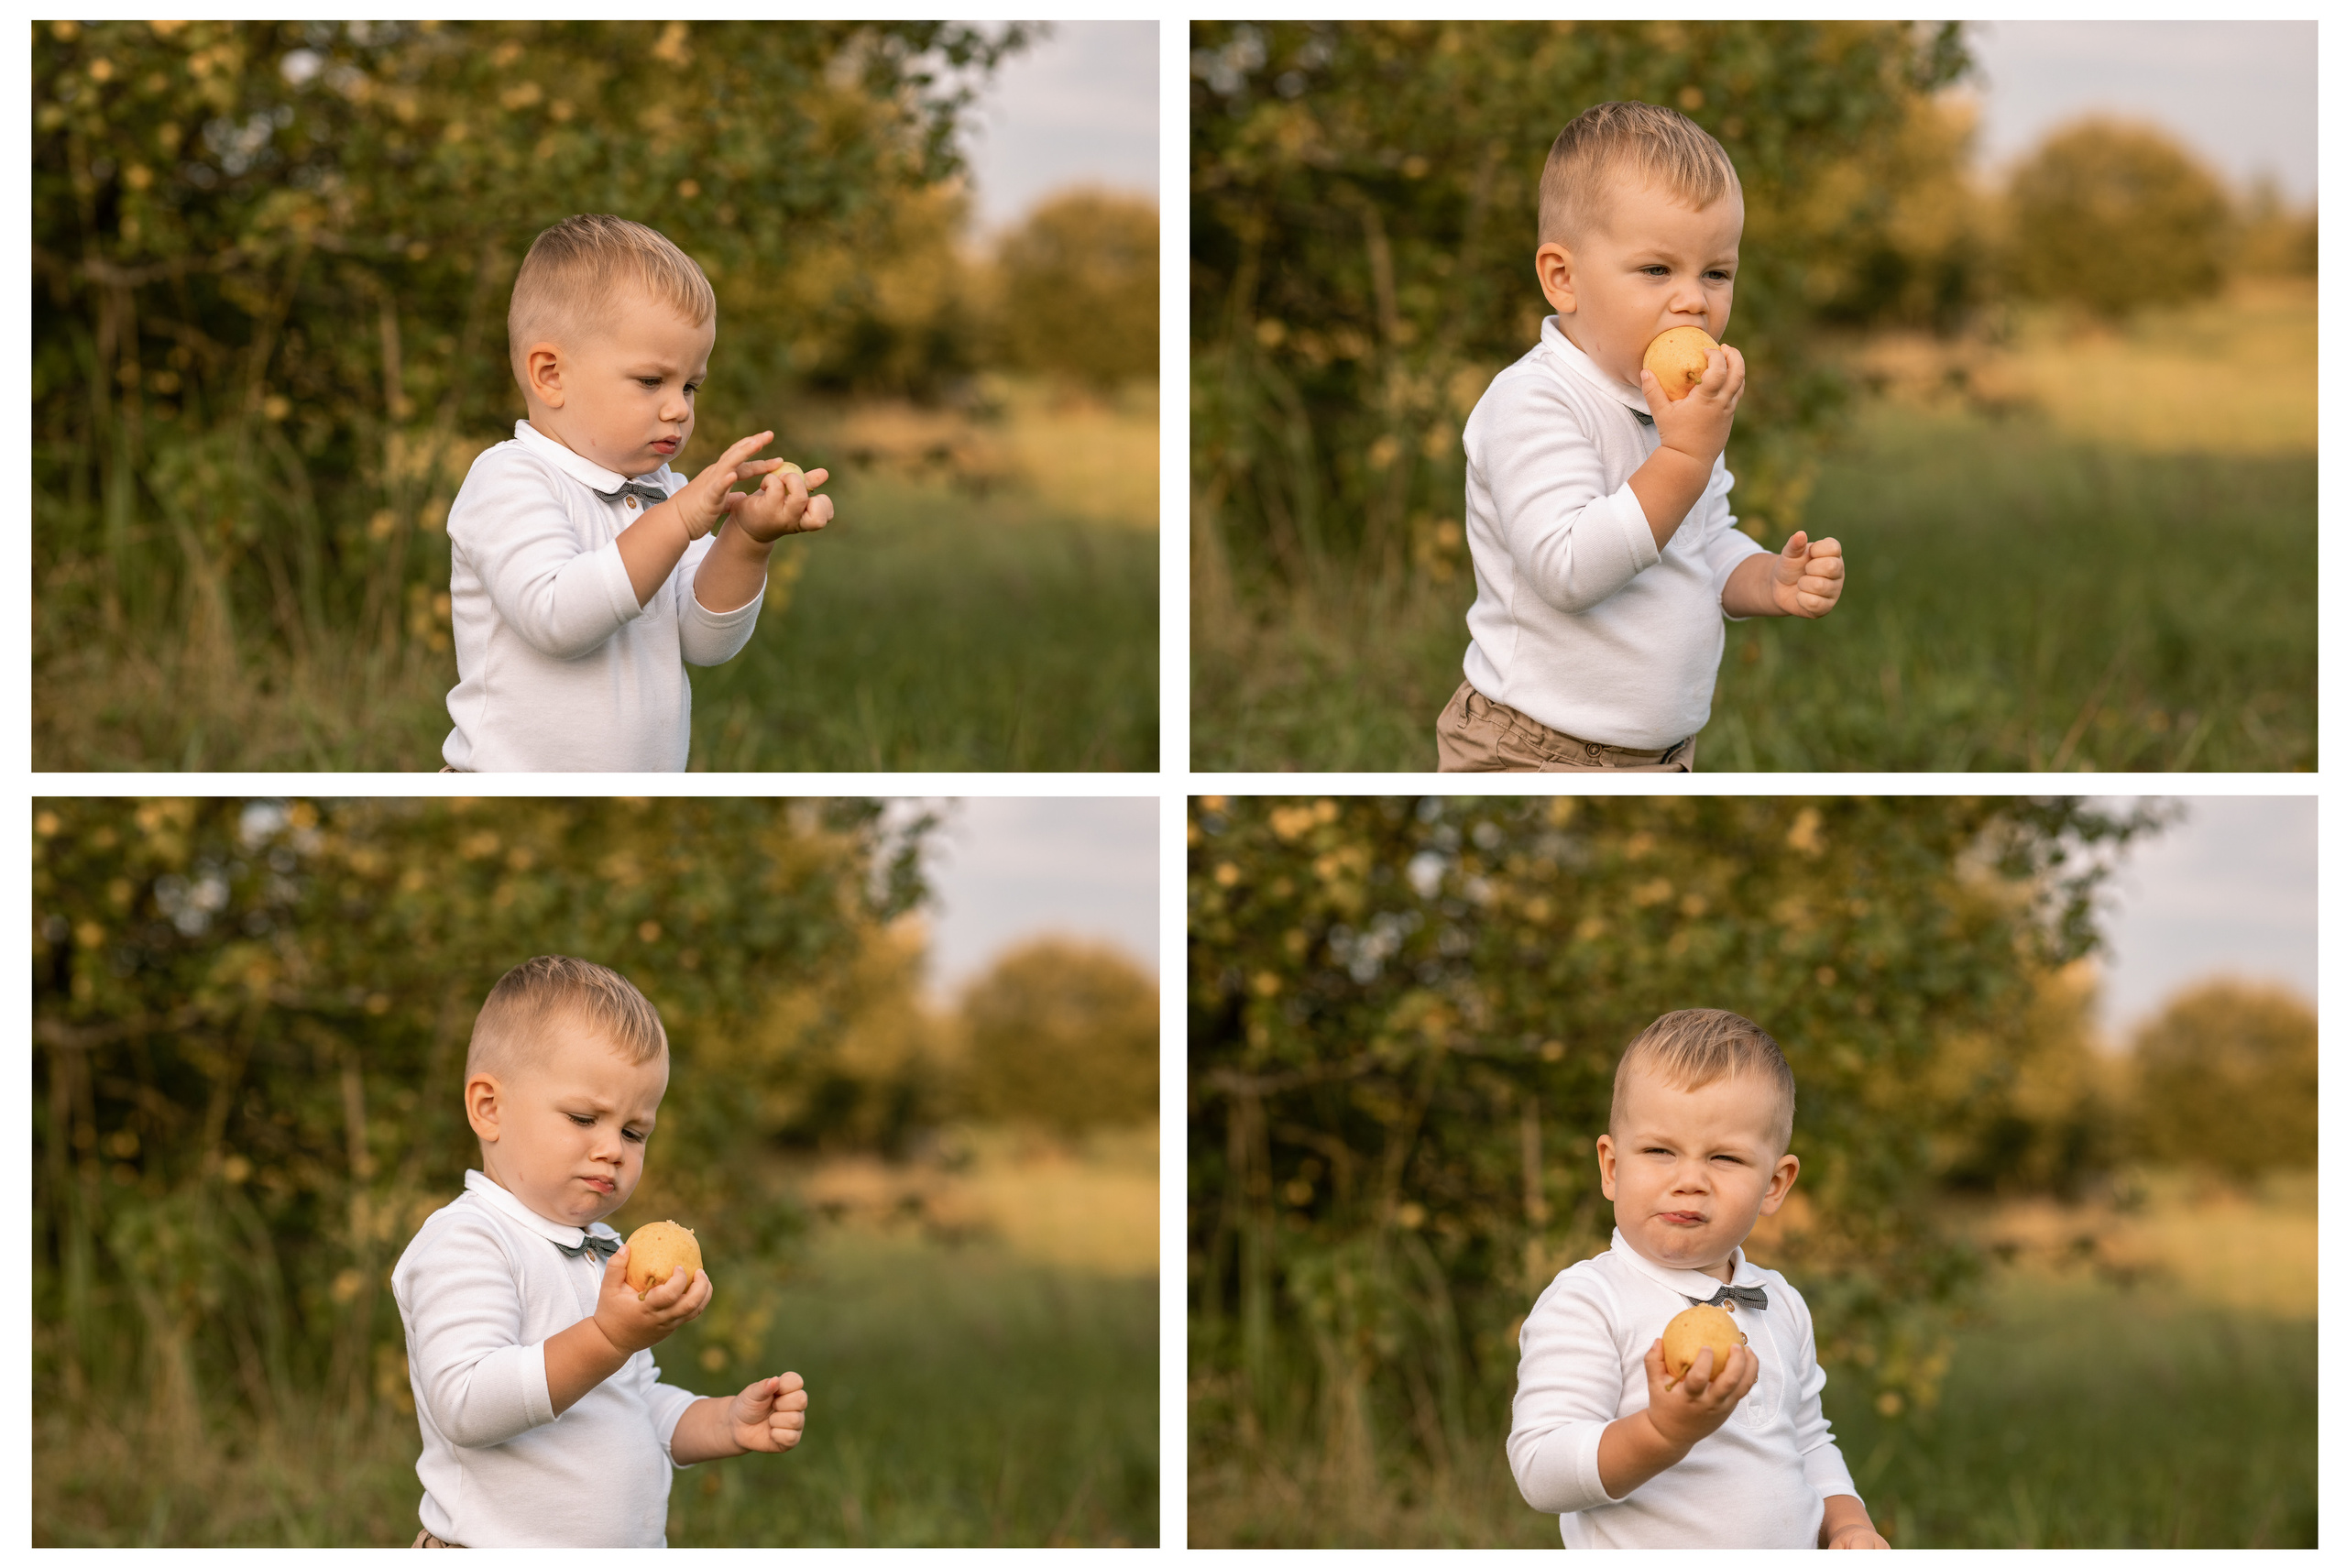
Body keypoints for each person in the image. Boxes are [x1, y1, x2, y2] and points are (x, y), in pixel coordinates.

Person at [1438, 102, 1846, 773]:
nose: (1694, 300)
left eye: (1715, 273)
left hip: (1660, 756)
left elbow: (1705, 540)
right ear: (1562, 278)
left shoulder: (1677, 404)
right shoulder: (1534, 401)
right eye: (1658, 270)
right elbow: (1568, 569)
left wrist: (1766, 578)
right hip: (1531, 749)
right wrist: (1686, 456)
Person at [391, 955, 809, 1547]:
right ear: (490, 1107)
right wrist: (609, 1337)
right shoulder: (470, 1239)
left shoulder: (605, 1251)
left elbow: (628, 1403)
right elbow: (466, 1402)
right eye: (585, 1117)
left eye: (634, 1132)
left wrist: (725, 1422)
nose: (612, 1148)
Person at [442, 214, 833, 772]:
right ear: (551, 375)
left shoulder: (661, 493)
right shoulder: (510, 479)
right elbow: (556, 618)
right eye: (652, 381)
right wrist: (680, 520)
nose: (679, 407)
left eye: (691, 385)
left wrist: (747, 538)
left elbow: (706, 643)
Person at [1507, 1009, 1888, 1548]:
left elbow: (1808, 1442)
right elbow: (1541, 1469)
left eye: (1725, 1158)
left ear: (1775, 1184)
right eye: (1660, 1151)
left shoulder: (1779, 1302)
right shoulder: (1591, 1301)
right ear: (1612, 1168)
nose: (1690, 1180)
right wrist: (1663, 1433)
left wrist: (1848, 1522)